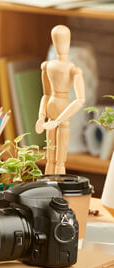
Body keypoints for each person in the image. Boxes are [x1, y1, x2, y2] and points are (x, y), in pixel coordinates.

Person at [35, 25, 85, 175]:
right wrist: (41, 117)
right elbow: (45, 94)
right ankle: (49, 186)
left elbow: (80, 100)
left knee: (60, 159)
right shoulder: (48, 66)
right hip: (55, 110)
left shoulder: (72, 69)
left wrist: (54, 120)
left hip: (59, 112)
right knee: (51, 157)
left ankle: (56, 187)